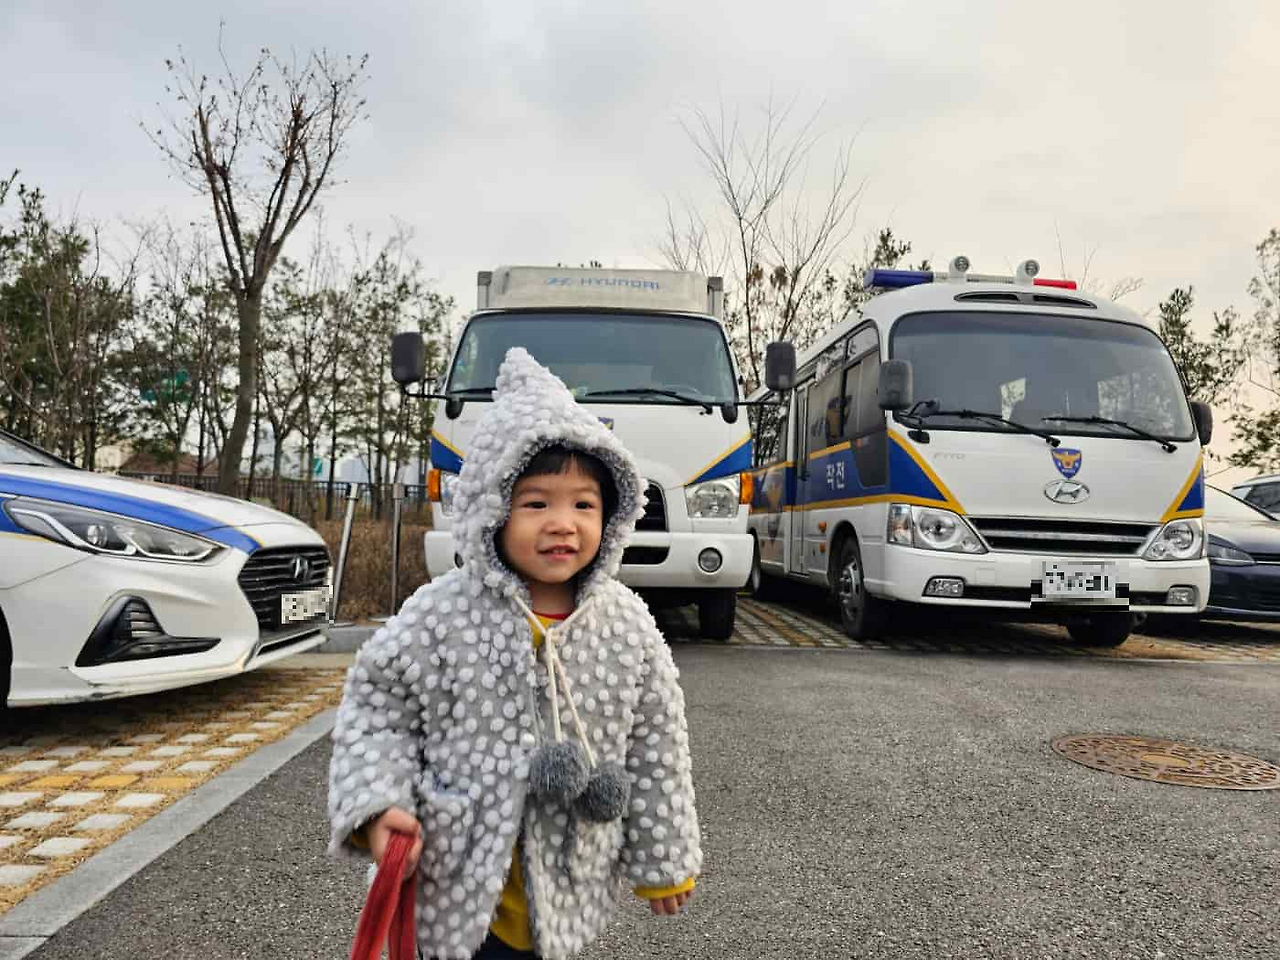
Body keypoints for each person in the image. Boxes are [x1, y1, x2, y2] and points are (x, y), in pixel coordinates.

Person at [328, 347, 702, 960]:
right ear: (492, 510)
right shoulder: (442, 613)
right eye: (537, 504)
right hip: (449, 879)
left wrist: (665, 855)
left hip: (566, 880)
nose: (563, 523)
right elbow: (377, 709)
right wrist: (378, 806)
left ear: (610, 516)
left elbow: (656, 743)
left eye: (584, 504)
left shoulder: (626, 625)